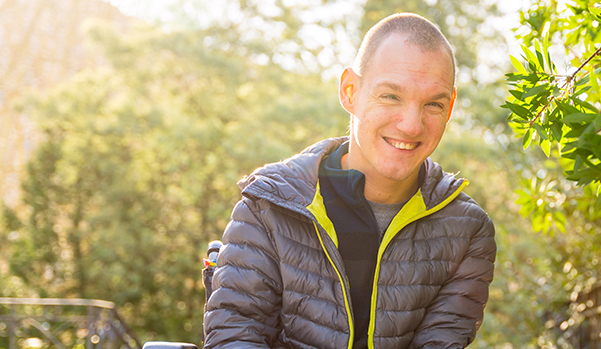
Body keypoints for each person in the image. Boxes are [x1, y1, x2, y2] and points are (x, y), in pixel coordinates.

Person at [202, 12, 496, 349]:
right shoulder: (268, 204)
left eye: (433, 104)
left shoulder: (468, 230)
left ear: (450, 106)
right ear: (350, 91)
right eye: (391, 96)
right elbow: (235, 338)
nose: (412, 125)